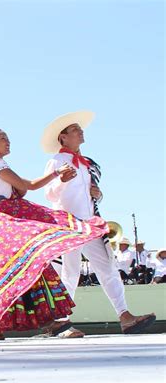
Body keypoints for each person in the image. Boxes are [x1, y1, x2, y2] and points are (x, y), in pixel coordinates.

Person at [0, 128, 108, 340]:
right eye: (3, 139)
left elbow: (19, 189)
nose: (8, 142)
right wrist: (56, 173)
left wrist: (20, 189)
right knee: (31, 260)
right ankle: (51, 320)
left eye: (8, 138)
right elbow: (27, 186)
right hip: (2, 219)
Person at [42, 111, 156, 334]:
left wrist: (97, 194)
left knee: (108, 267)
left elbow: (91, 195)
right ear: (63, 138)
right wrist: (61, 182)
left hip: (89, 223)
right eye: (75, 130)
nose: (80, 131)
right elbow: (50, 195)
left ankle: (125, 315)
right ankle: (61, 321)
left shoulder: (85, 164)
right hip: (68, 224)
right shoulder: (56, 161)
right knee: (70, 272)